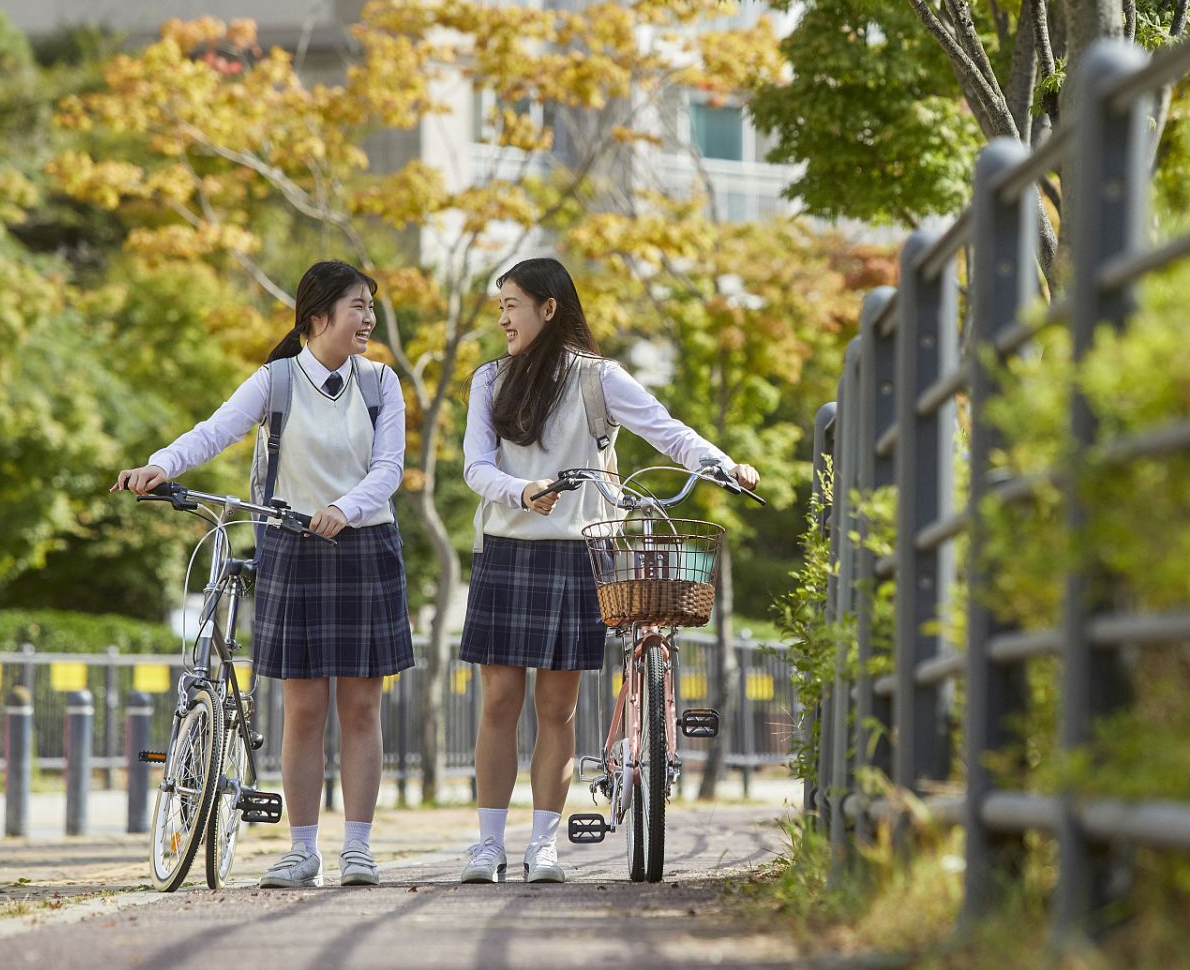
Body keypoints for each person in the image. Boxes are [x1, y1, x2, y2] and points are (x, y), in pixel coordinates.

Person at [459, 257, 759, 884]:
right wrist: (521, 491)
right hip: (507, 547)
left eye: (512, 303)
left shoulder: (599, 379)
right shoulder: (489, 379)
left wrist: (725, 464)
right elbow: (475, 469)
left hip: (578, 550)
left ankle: (543, 847)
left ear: (549, 308)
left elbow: (666, 430)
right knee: (498, 702)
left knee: (557, 708)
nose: (502, 316)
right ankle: (487, 846)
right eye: (501, 304)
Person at [114, 260, 410, 889]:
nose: (369, 318)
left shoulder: (383, 384)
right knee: (301, 710)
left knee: (360, 708)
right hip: (290, 547)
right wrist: (158, 466)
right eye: (358, 306)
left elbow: (388, 470)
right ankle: (303, 851)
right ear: (319, 316)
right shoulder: (275, 382)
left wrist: (343, 509)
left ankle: (358, 848)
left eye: (370, 306)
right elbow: (214, 431)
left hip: (365, 546)